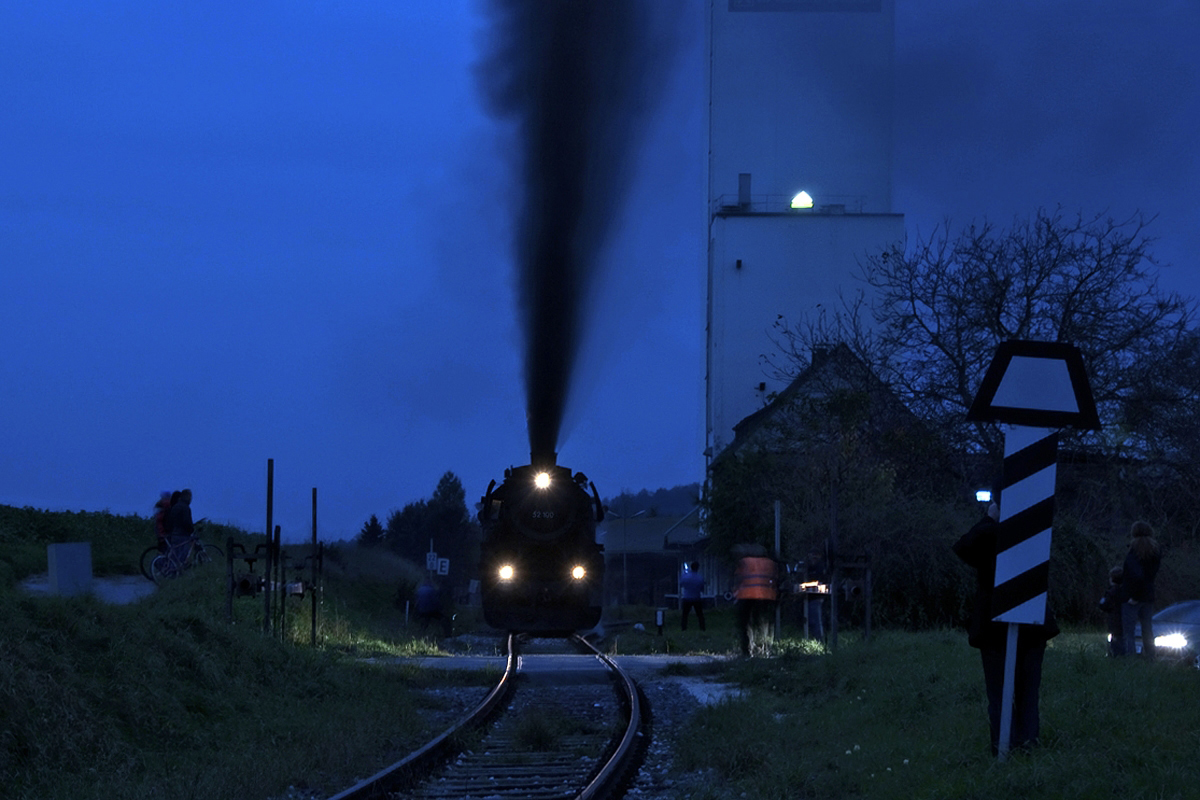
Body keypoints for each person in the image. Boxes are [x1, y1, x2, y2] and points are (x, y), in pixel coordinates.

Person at [953, 502, 1059, 756]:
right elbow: (964, 548)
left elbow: (964, 547)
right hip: (1024, 624)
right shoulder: (1030, 530)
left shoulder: (993, 535)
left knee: (1005, 693)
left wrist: (990, 520)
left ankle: (1009, 748)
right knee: (1024, 693)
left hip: (1000, 626)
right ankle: (1024, 747)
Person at [1119, 520, 1161, 658]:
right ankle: (1151, 657)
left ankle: (1130, 658)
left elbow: (1136, 575)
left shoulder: (1134, 551)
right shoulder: (1155, 551)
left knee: (1129, 630)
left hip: (1132, 596)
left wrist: (1134, 596)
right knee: (1147, 629)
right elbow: (1149, 575)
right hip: (1148, 595)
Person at [734, 546, 777, 657]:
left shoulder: (744, 562)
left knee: (746, 624)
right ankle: (765, 648)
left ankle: (747, 650)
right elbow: (774, 579)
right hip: (766, 596)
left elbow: (738, 578)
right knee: (764, 623)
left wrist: (735, 592)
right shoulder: (770, 563)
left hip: (746, 596)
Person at [1098, 566, 1125, 656]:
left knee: (1115, 638)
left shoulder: (1111, 592)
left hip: (1114, 618)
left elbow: (1103, 604)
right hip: (1124, 617)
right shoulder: (1125, 591)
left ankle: (1115, 655)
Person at [679, 561, 706, 632]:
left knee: (685, 615)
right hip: (696, 598)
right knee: (700, 614)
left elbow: (681, 584)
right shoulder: (700, 578)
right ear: (698, 568)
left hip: (687, 597)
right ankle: (702, 628)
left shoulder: (685, 576)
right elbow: (702, 589)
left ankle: (683, 628)